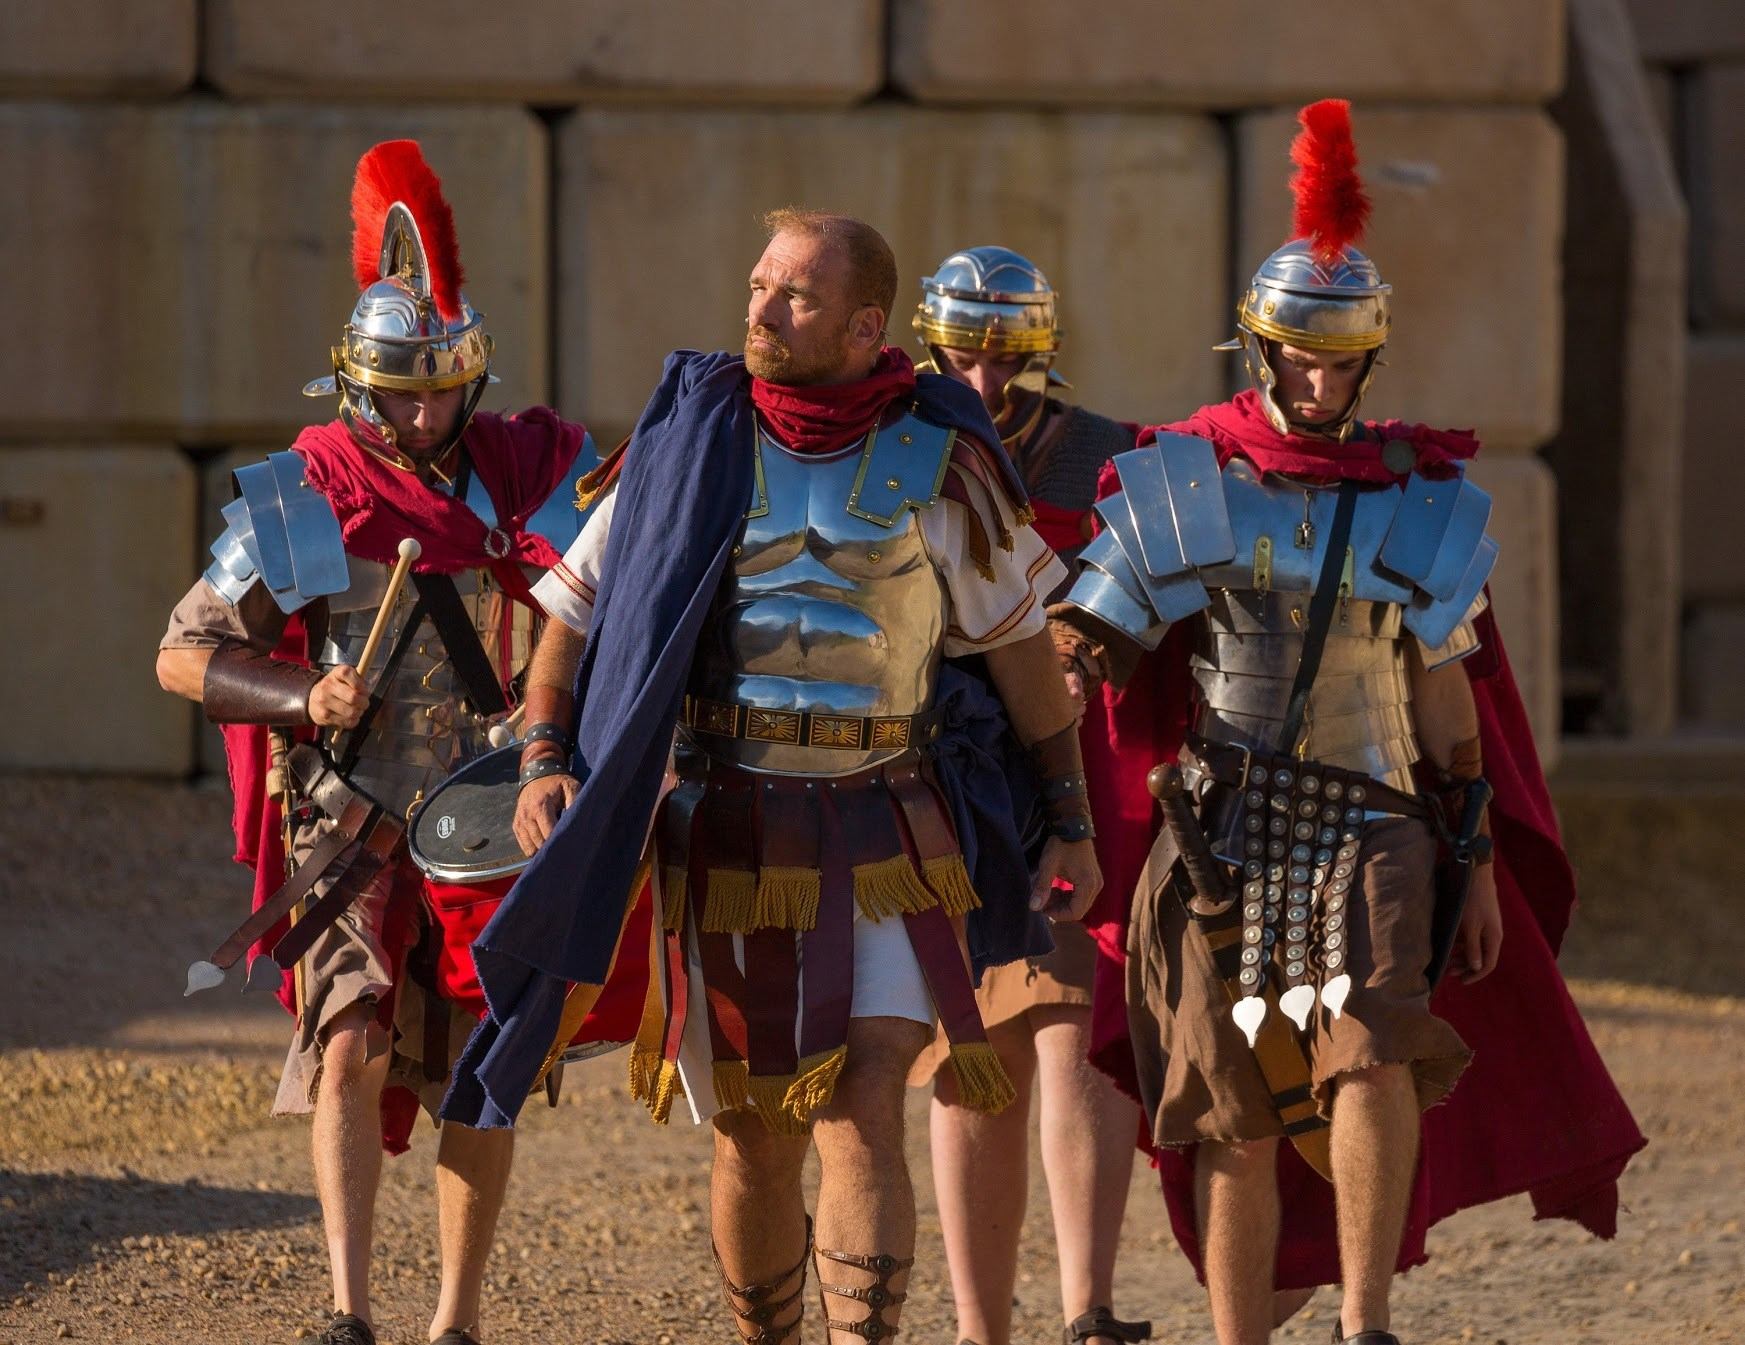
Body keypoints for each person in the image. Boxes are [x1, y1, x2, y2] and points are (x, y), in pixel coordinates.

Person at [442, 208, 1103, 1344]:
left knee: (864, 1102)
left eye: (791, 295)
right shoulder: (684, 446)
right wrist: (546, 758)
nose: (758, 309)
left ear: (862, 324)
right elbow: (569, 617)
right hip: (730, 825)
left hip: (890, 823)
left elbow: (1020, 656)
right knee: (753, 1128)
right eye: (755, 285)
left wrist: (1070, 818)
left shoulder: (938, 464)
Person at [1050, 101, 1644, 1345]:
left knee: (1370, 1055)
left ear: (1370, 359)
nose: (1321, 384)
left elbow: (1445, 703)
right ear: (1257, 351)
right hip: (1221, 826)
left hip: (1377, 819)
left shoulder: (1417, 499)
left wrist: (1474, 862)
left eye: (1342, 362)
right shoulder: (1185, 477)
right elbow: (1078, 662)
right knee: (1236, 1104)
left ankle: (1365, 1323)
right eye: (1299, 359)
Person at [156, 140, 593, 1345]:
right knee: (348, 1036)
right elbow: (183, 651)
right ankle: (350, 1311)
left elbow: (616, 595)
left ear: (472, 378)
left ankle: (455, 1320)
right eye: (398, 391)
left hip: (490, 812)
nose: (421, 412)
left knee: (475, 1074)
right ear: (352, 385)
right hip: (347, 809)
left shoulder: (530, 475)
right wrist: (305, 697)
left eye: (440, 389)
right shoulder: (309, 486)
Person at [908, 246, 1147, 1345]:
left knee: (1073, 1025)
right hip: (946, 773)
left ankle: (1088, 1308)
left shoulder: (1104, 458)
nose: (986, 378)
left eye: (1007, 357)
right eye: (966, 353)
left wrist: (1087, 643)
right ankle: (977, 1326)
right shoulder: (898, 446)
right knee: (968, 1044)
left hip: (1080, 768)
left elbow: (1152, 602)